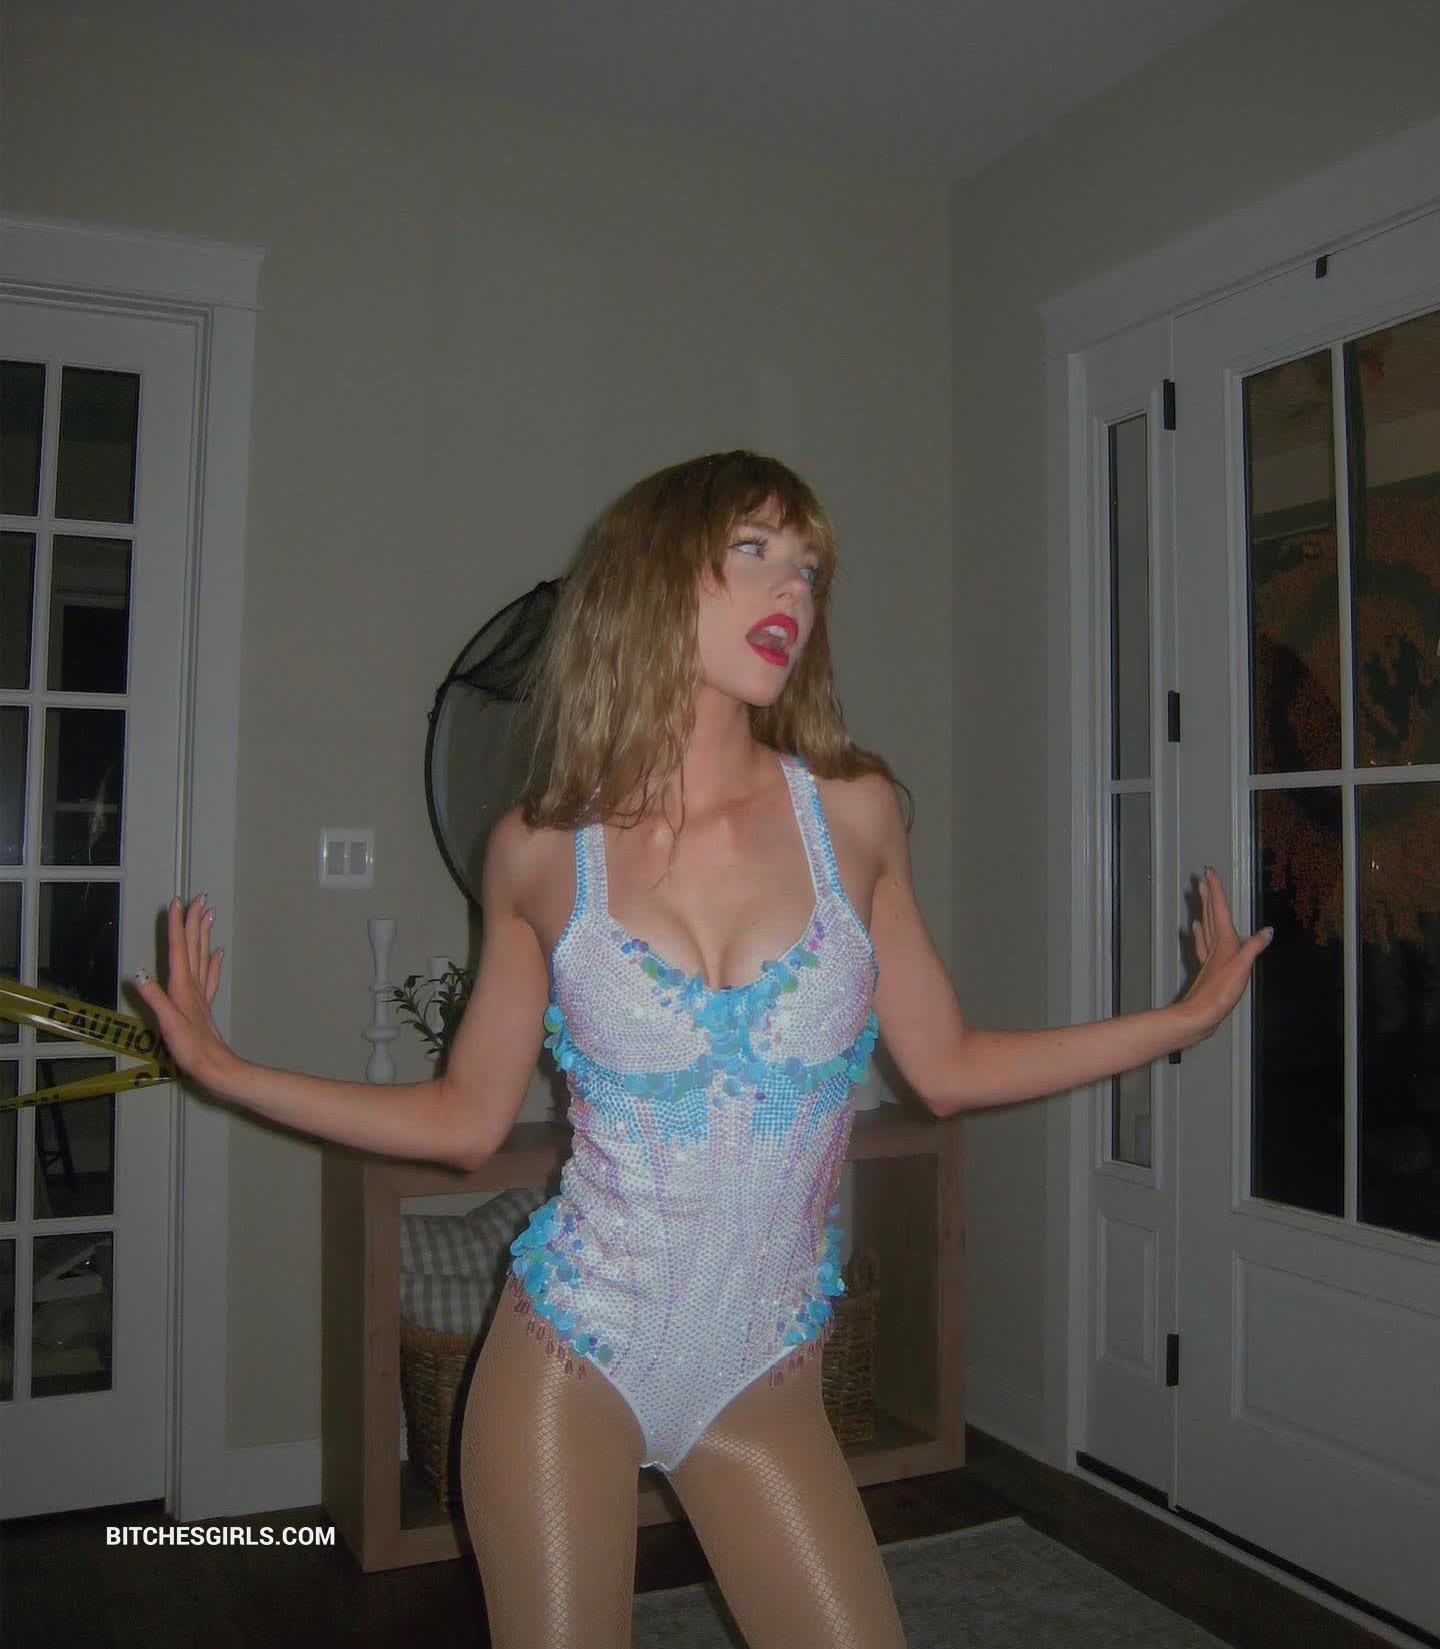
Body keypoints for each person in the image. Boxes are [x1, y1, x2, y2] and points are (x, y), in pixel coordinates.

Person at [138, 450, 1270, 1648]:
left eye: (810, 566)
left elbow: (948, 1068)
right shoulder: (539, 849)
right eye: (754, 551)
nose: (793, 589)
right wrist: (228, 1070)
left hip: (761, 1376)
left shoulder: (855, 815)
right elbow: (464, 1123)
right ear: (652, 578)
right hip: (570, 1357)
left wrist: (1176, 1023)